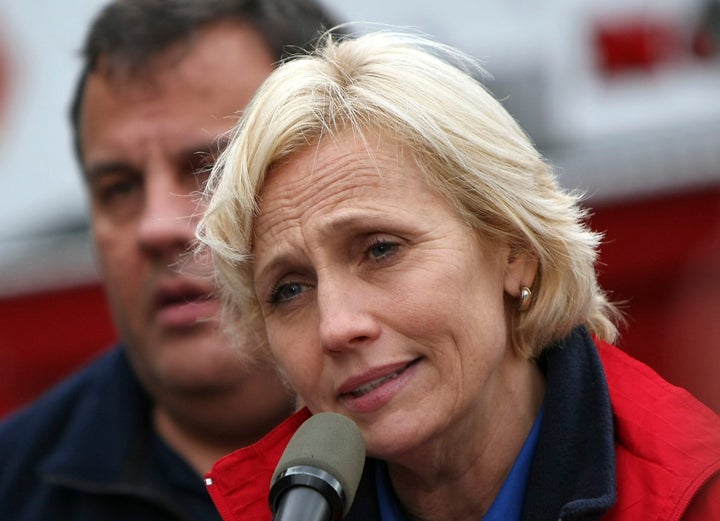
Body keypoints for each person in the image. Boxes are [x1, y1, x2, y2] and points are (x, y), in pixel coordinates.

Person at [197, 30, 720, 521]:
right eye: (289, 290)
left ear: (515, 250)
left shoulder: (695, 498)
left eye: (380, 250)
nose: (336, 326)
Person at [0, 1, 342, 520]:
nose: (156, 226)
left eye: (212, 169)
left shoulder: (456, 444)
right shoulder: (14, 484)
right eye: (118, 188)